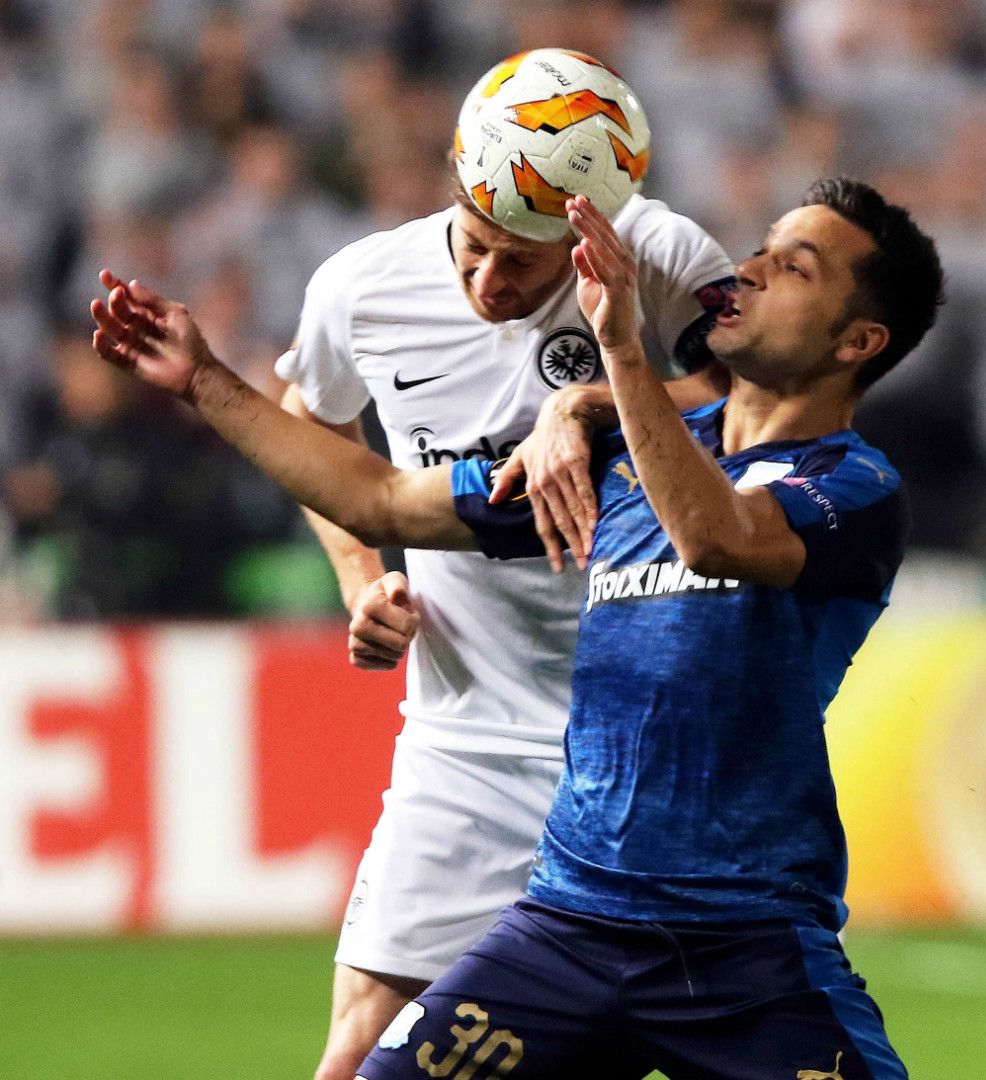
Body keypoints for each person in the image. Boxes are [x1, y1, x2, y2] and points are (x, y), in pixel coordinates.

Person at [91, 175, 942, 1080]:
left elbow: (716, 535)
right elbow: (379, 497)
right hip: (569, 930)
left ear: (858, 341)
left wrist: (611, 353)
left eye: (794, 267)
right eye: (763, 246)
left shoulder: (852, 488)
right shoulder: (608, 452)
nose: (751, 268)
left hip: (745, 945)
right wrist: (205, 382)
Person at [272, 51, 735, 1080]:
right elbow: (310, 415)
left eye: (523, 264)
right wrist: (362, 576)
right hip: (467, 741)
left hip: (652, 749)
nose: (488, 282)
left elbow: (758, 418)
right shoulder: (362, 287)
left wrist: (590, 402)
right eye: (474, 246)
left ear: (592, 232)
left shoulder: (666, 261)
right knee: (359, 1053)